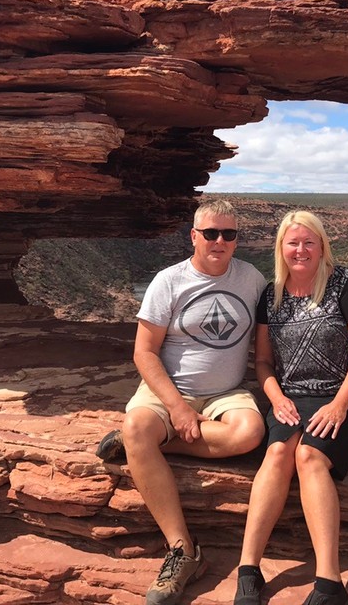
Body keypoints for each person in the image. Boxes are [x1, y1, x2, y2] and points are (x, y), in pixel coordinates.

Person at [96, 199, 267, 605]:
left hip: (226, 392)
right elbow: (144, 352)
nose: (219, 241)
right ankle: (183, 551)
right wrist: (177, 408)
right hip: (168, 389)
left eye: (229, 234)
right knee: (139, 425)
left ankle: (139, 448)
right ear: (194, 236)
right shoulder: (168, 281)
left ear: (237, 239)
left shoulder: (252, 279)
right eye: (210, 233)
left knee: (250, 434)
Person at [234, 210, 348, 605]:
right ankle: (248, 568)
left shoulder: (343, 282)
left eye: (308, 242)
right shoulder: (272, 294)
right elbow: (263, 362)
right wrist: (276, 397)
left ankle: (329, 584)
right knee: (278, 451)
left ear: (321, 247)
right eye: (292, 242)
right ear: (281, 248)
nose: (300, 250)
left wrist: (339, 405)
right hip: (293, 397)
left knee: (310, 456)